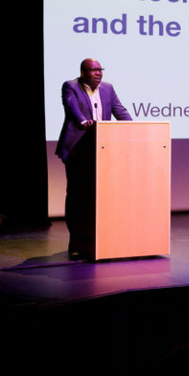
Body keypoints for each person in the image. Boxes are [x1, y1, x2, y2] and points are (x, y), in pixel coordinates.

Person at [56, 58, 132, 259]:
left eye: (100, 70)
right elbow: (72, 108)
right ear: (83, 72)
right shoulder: (70, 86)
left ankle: (100, 239)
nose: (98, 73)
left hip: (102, 149)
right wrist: (83, 121)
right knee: (76, 195)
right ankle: (76, 241)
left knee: (100, 196)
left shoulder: (108, 88)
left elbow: (119, 110)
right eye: (93, 70)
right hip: (76, 149)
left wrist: (134, 127)